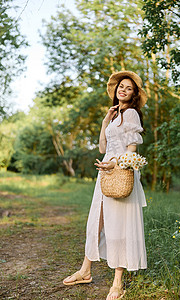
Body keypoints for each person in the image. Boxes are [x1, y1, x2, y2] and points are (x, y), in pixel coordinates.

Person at [63, 71, 148, 300]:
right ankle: (85, 270)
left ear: (134, 94)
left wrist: (115, 165)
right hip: (105, 173)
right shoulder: (113, 116)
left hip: (121, 173)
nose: (123, 89)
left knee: (119, 225)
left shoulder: (131, 114)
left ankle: (117, 283)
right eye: (121, 86)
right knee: (97, 220)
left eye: (129, 88)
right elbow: (102, 147)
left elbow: (131, 149)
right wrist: (104, 122)